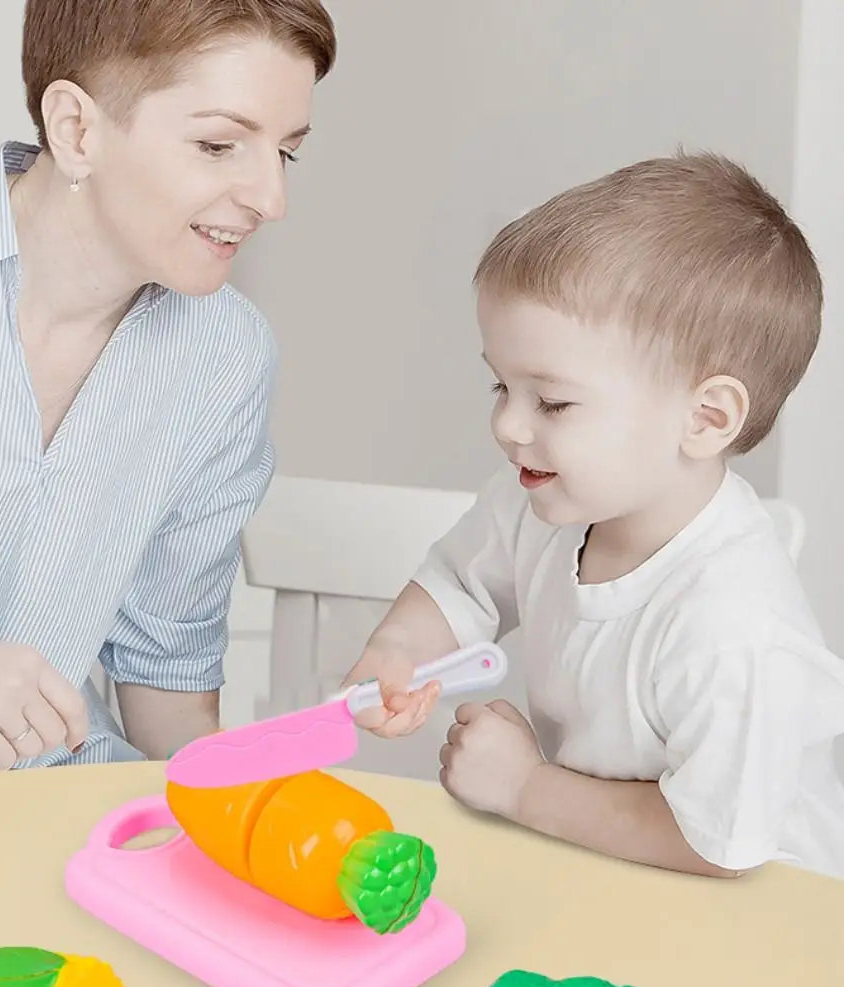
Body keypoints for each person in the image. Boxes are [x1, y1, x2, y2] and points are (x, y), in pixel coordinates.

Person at [0, 0, 337, 787]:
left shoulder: (227, 358)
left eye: (287, 153)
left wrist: (261, 818)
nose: (270, 200)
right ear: (76, 129)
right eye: (218, 145)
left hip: (28, 829)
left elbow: (167, 686)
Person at [343, 152, 844, 881]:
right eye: (500, 385)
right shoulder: (540, 500)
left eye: (552, 402)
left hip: (771, 920)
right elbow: (459, 583)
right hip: (610, 871)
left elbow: (716, 844)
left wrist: (524, 787)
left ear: (704, 418)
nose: (509, 426)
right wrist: (398, 651)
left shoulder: (737, 632)